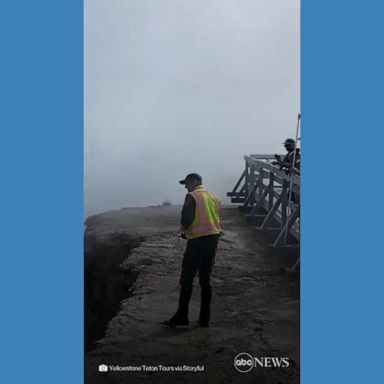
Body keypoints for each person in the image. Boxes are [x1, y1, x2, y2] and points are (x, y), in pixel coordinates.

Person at [164, 173, 221, 328]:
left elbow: (187, 218)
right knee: (205, 278)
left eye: (187, 182)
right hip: (213, 238)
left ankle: (182, 316)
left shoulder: (193, 196)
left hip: (198, 240)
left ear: (195, 181)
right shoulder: (213, 196)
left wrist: (184, 230)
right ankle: (205, 319)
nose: (185, 186)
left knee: (187, 278)